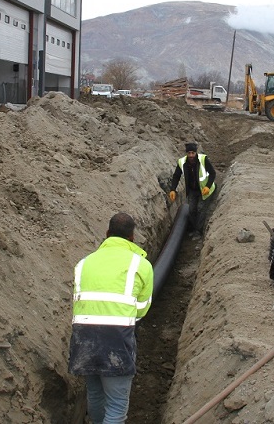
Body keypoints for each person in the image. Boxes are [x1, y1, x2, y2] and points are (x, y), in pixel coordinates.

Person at [68, 212, 154, 424]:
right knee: (115, 407)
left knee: (96, 396)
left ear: (107, 234)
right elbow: (142, 309)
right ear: (132, 238)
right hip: (116, 339)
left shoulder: (84, 263)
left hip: (84, 338)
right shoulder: (141, 265)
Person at [169, 142, 217, 236]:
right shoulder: (182, 162)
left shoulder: (203, 159)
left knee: (200, 209)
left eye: (193, 153)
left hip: (205, 189)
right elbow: (176, 176)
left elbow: (213, 173)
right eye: (189, 153)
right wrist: (172, 189)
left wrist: (207, 186)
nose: (191, 155)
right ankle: (192, 228)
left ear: (196, 153)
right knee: (191, 210)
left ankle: (199, 232)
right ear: (186, 153)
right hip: (192, 190)